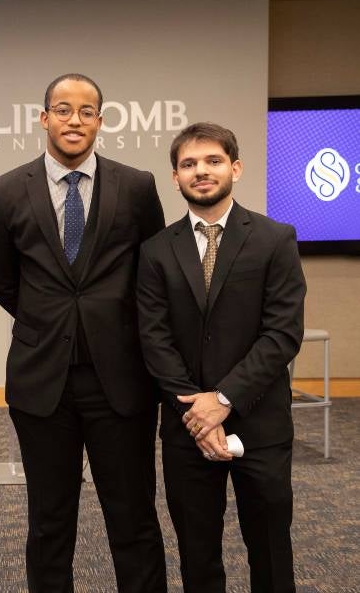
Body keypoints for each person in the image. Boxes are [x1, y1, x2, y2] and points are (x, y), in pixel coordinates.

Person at [0, 73, 167, 592]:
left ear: (100, 122)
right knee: (49, 523)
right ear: (44, 119)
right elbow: (2, 278)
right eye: (63, 110)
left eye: (86, 112)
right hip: (43, 382)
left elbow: (152, 272)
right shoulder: (4, 191)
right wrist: (49, 318)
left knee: (133, 518)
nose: (74, 120)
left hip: (121, 380)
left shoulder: (137, 186)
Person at [137, 122, 306, 592]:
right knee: (197, 556)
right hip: (187, 427)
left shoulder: (275, 239)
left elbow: (282, 333)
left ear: (235, 168)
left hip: (261, 424)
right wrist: (199, 412)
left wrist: (224, 399)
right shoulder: (155, 250)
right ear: (176, 178)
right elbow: (154, 339)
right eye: (189, 164)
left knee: (270, 551)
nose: (201, 171)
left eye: (213, 161)